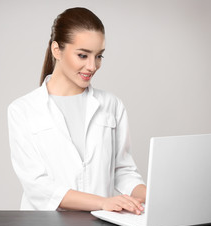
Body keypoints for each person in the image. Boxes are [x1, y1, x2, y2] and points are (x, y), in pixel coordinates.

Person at [8, 7, 146, 214]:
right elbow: (38, 186)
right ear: (57, 50)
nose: (92, 66)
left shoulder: (111, 105)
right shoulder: (22, 110)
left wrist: (152, 194)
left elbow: (123, 171)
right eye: (83, 55)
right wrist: (102, 202)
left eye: (99, 56)